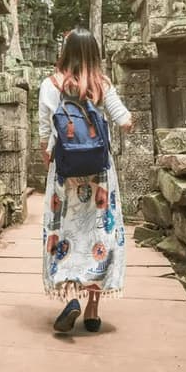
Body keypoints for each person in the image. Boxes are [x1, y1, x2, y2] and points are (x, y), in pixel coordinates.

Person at [38, 27, 133, 333]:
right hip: (100, 177)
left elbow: (44, 136)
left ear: (65, 52)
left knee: (65, 233)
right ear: (94, 53)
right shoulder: (101, 85)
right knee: (99, 236)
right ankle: (93, 310)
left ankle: (71, 297)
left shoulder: (50, 85)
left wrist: (51, 157)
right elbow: (126, 121)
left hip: (65, 175)